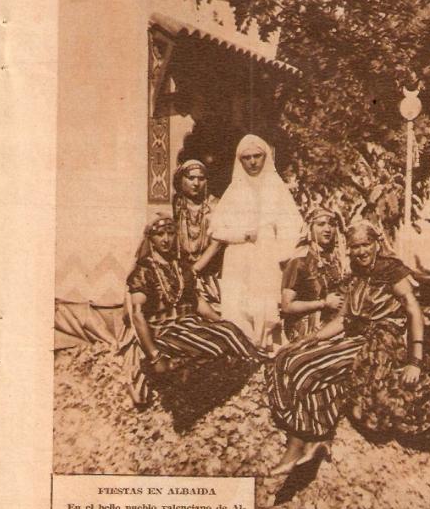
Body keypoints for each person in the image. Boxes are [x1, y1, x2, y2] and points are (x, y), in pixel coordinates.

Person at [267, 220, 430, 474]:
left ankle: (301, 443)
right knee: (288, 358)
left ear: (376, 243)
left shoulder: (391, 270)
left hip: (383, 345)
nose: (360, 251)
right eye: (355, 247)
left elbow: (414, 311)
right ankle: (317, 440)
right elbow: (343, 319)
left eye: (365, 245)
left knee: (307, 367)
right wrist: (312, 339)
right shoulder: (356, 275)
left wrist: (415, 361)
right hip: (357, 338)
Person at [120, 216, 262, 429]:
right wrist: (153, 355)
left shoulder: (180, 266)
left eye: (170, 233)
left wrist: (219, 321)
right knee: (215, 349)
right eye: (160, 234)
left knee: (228, 331)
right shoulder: (143, 271)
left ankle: (255, 369)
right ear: (150, 239)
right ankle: (188, 401)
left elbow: (196, 301)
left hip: (189, 323)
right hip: (163, 330)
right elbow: (137, 316)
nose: (166, 239)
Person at [208, 134, 304, 348]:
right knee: (239, 308)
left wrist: (282, 253)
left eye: (257, 156)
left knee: (265, 306)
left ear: (265, 156)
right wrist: (242, 235)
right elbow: (215, 229)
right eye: (246, 157)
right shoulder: (234, 190)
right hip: (238, 257)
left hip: (267, 255)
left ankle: (266, 351)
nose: (252, 162)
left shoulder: (276, 187)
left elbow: (293, 224)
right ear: (240, 160)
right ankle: (242, 351)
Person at [280, 208, 347, 341]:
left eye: (331, 224)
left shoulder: (337, 259)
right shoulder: (299, 260)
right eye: (321, 224)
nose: (327, 229)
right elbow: (286, 306)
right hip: (308, 331)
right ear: (310, 228)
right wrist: (323, 303)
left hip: (336, 324)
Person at [171, 159, 221, 305]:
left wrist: (194, 270)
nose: (196, 183)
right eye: (191, 178)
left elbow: (217, 243)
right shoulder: (174, 205)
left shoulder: (214, 205)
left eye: (201, 178)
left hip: (207, 275)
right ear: (181, 180)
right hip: (179, 272)